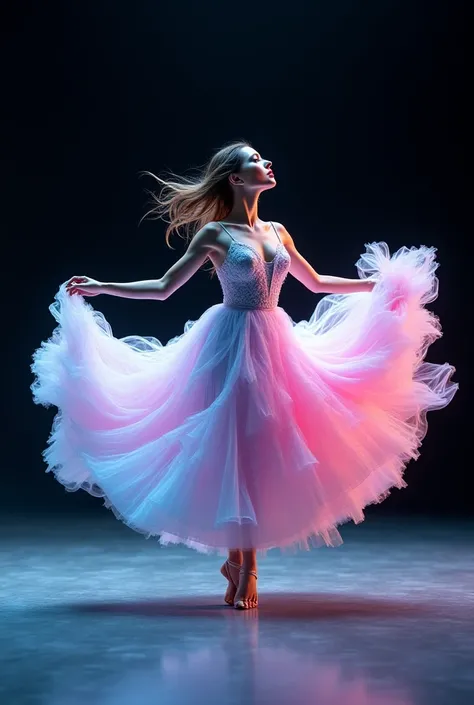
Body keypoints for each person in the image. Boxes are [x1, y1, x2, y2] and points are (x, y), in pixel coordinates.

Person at [31, 140, 457, 611]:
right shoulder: (215, 234)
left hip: (276, 344)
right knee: (236, 445)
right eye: (255, 159)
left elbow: (315, 282)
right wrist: (103, 286)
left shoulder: (277, 230)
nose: (267, 162)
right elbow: (165, 288)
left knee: (263, 445)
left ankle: (242, 565)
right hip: (228, 344)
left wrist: (377, 287)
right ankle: (246, 566)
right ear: (235, 178)